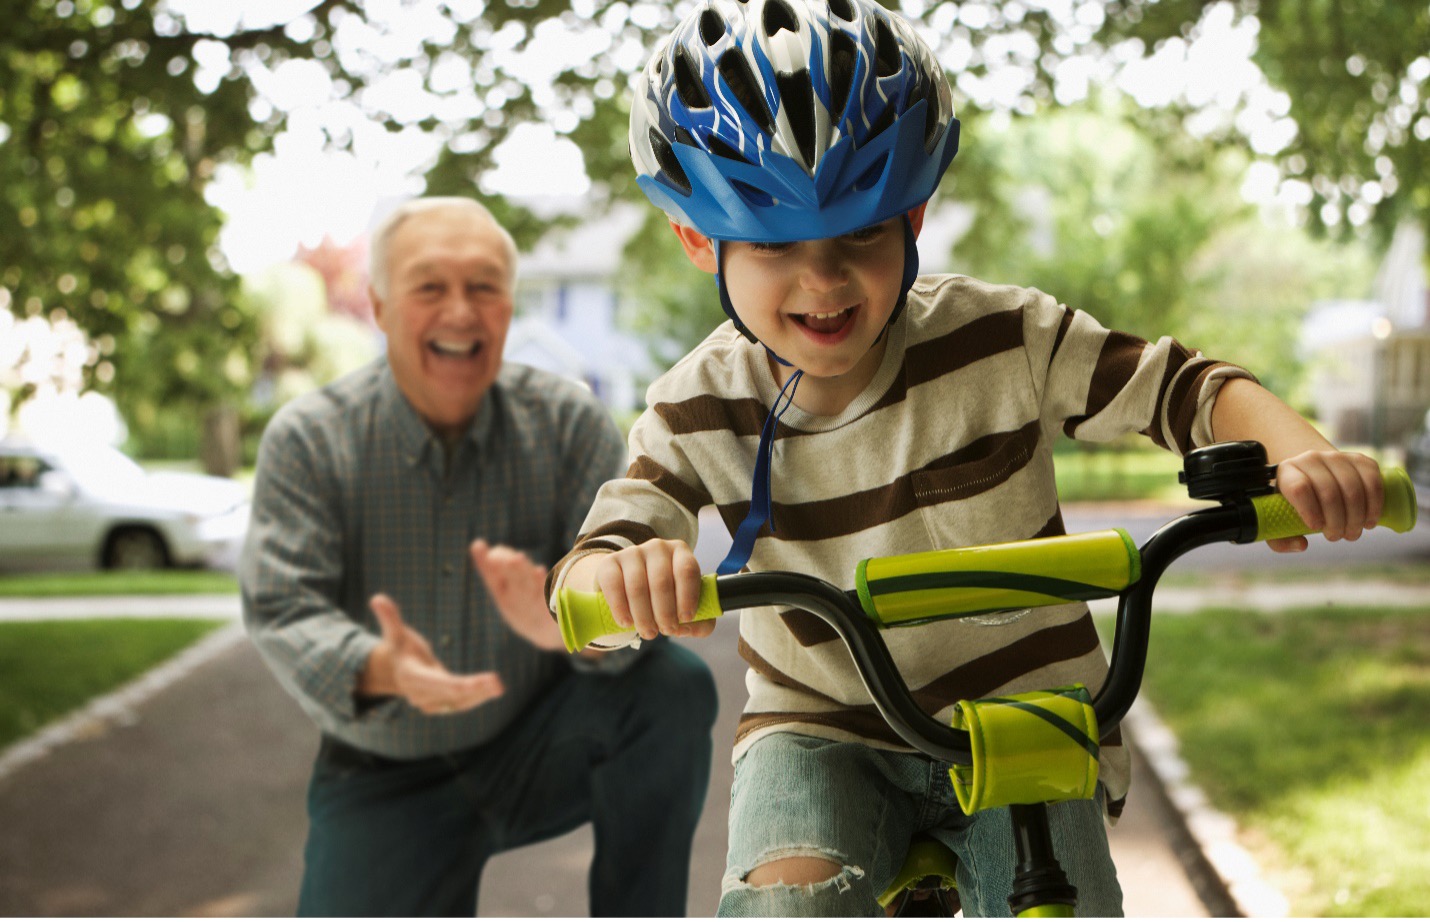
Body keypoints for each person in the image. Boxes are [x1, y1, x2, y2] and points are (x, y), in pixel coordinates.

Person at [541, 0, 1386, 916]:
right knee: (788, 899)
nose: (822, 281)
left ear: (914, 215)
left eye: (861, 232)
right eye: (777, 244)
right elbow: (608, 548)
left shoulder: (1004, 335)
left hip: (1029, 712)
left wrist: (1304, 454)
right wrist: (621, 579)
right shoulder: (697, 404)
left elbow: (1182, 388)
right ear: (699, 238)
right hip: (824, 727)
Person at [240, 196, 718, 917]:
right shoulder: (310, 438)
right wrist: (374, 667)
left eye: (484, 287)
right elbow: (283, 606)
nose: (461, 311)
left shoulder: (568, 422)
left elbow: (617, 598)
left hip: (538, 737)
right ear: (379, 305)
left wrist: (567, 629)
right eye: (430, 286)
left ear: (509, 306)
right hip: (383, 768)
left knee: (671, 688)